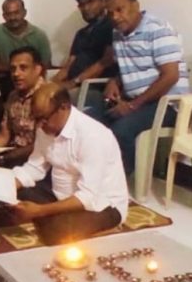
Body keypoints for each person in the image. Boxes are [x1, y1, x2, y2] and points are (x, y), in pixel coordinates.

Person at [12, 83, 129, 245]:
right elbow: (34, 167)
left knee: (56, 233)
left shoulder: (93, 136)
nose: (39, 125)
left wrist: (39, 211)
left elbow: (87, 197)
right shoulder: (45, 128)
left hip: (101, 205)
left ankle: (52, 219)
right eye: (36, 119)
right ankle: (50, 217)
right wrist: (8, 185)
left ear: (64, 107)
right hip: (60, 196)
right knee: (18, 192)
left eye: (44, 119)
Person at [93, 0, 189, 175]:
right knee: (90, 120)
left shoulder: (158, 29)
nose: (115, 17)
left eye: (120, 10)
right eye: (110, 13)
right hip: (137, 101)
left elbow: (171, 76)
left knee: (121, 130)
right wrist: (114, 82)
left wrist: (132, 106)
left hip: (167, 104)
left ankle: (121, 182)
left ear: (136, 6)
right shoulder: (117, 33)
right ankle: (96, 174)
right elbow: (131, 66)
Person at [0, 46, 46, 167]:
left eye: (23, 68)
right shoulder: (13, 96)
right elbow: (4, 135)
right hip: (12, 155)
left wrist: (6, 158)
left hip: (38, 161)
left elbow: (43, 144)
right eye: (13, 69)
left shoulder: (48, 96)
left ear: (37, 69)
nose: (16, 74)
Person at [50, 0, 117, 92]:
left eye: (91, 2)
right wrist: (51, 83)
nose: (86, 8)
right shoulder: (81, 34)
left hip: (94, 86)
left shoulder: (111, 27)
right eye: (81, 4)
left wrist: (74, 82)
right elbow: (68, 66)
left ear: (103, 1)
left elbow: (105, 62)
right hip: (74, 84)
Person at [0, 0, 51, 97]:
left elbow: (46, 64)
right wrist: (14, 70)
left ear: (24, 13)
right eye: (8, 14)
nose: (12, 17)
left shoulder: (39, 35)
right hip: (7, 78)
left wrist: (28, 74)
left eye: (16, 13)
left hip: (33, 79)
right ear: (4, 16)